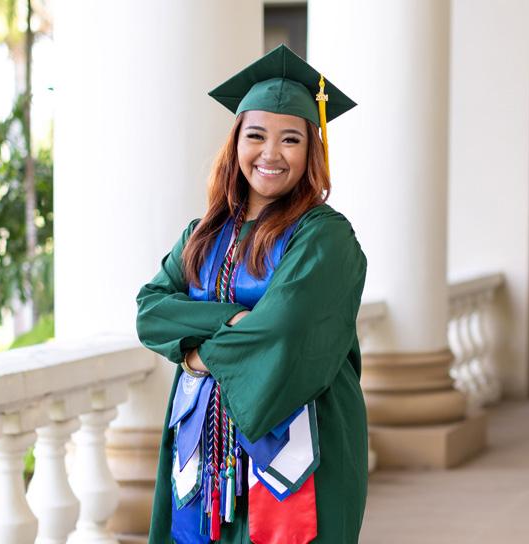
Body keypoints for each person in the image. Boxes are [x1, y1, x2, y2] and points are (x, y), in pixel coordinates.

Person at [136, 44, 368, 544]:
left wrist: (197, 354)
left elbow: (285, 332)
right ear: (235, 142)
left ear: (311, 150)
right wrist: (232, 322)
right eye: (256, 135)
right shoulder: (202, 234)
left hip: (300, 450)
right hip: (203, 451)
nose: (271, 153)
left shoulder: (323, 236)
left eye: (291, 139)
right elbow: (151, 311)